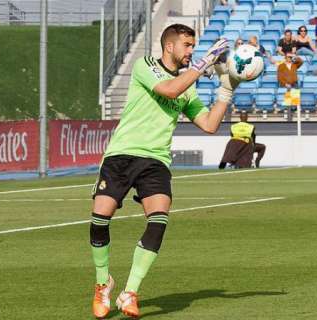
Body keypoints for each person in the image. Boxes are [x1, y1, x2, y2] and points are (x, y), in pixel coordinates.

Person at [89, 24, 239, 319]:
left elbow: (209, 125)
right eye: (187, 45)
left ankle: (130, 291)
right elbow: (169, 88)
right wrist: (204, 62)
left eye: (194, 47)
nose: (191, 51)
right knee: (100, 218)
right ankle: (102, 283)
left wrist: (225, 90)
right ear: (169, 46)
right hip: (121, 154)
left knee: (158, 220)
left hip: (155, 160)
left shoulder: (188, 85)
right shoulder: (145, 65)